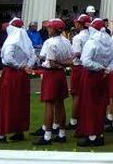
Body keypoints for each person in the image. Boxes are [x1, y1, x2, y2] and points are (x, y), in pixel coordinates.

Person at [0, 18, 35, 144]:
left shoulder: (11, 41)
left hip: (11, 73)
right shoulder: (26, 41)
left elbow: (8, 58)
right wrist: (27, 66)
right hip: (23, 75)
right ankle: (18, 130)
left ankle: (1, 134)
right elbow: (32, 56)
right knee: (20, 102)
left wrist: (19, 66)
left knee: (6, 102)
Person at [77, 18, 113, 147]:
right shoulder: (110, 41)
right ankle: (99, 133)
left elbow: (86, 61)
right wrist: (108, 69)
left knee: (90, 105)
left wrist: (100, 67)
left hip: (92, 75)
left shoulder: (92, 42)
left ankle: (92, 135)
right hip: (104, 76)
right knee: (101, 105)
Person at [34, 18, 71, 146]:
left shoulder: (50, 43)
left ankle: (47, 135)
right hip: (61, 74)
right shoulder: (67, 41)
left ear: (55, 29)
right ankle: (61, 133)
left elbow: (50, 61)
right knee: (60, 103)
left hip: (51, 74)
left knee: (49, 104)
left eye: (50, 27)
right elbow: (70, 60)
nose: (48, 29)